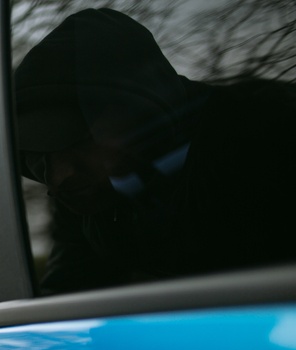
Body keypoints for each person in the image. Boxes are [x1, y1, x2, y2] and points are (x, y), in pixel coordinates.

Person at [15, 8, 296, 295]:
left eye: (75, 143)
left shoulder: (268, 130)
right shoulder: (87, 200)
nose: (57, 180)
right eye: (41, 163)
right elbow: (68, 296)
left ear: (137, 106)